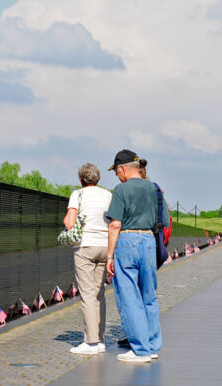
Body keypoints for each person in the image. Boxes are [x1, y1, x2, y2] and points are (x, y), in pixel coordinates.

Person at [105, 150, 170, 363]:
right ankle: (152, 346)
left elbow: (115, 224)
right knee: (149, 295)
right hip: (149, 242)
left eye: (116, 171)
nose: (117, 176)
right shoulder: (155, 189)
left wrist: (109, 256)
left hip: (127, 241)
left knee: (129, 297)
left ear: (123, 169)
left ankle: (140, 350)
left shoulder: (121, 190)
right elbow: (165, 221)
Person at [63, 163, 112, 355]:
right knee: (99, 293)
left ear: (81, 179)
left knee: (87, 294)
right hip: (105, 246)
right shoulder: (108, 195)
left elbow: (69, 223)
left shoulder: (78, 194)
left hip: (85, 247)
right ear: (98, 178)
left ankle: (91, 343)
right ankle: (100, 339)